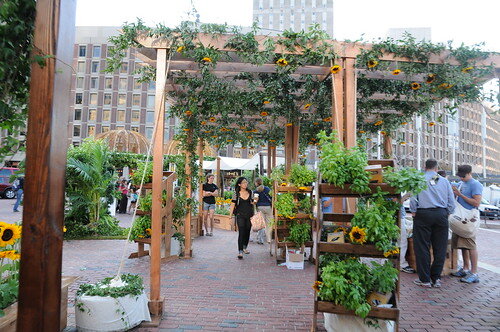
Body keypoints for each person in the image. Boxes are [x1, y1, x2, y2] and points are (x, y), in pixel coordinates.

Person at [410, 159, 455, 288]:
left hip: (423, 214)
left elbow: (413, 199)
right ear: (436, 168)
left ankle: (424, 279)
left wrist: (414, 211)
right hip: (441, 214)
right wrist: (447, 212)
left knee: (422, 247)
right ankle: (436, 278)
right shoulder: (444, 181)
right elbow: (451, 201)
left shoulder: (418, 179)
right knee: (440, 247)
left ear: (425, 167)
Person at [450, 165, 482, 284]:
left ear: (469, 173)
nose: (461, 178)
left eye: (463, 176)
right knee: (462, 245)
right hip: (460, 219)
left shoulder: (475, 184)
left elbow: (477, 203)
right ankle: (465, 268)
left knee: (471, 245)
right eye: (460, 176)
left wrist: (460, 195)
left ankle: (474, 273)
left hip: (469, 219)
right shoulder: (462, 183)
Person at [229, 177, 255, 259]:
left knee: (247, 231)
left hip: (249, 215)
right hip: (240, 214)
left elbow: (253, 203)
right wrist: (230, 216)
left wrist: (255, 201)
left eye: (246, 182)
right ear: (239, 184)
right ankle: (240, 251)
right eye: (243, 182)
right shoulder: (236, 193)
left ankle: (244, 247)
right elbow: (233, 204)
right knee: (241, 232)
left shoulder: (251, 192)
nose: (245, 184)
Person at [400, 193, 416, 274]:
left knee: (397, 240)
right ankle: (401, 264)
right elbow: (395, 203)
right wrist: (405, 197)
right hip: (397, 216)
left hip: (398, 215)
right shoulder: (391, 188)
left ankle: (387, 262)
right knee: (402, 241)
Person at [254, 178, 273, 244]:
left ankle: (260, 239)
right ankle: (269, 239)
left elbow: (255, 200)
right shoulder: (267, 189)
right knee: (269, 224)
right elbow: (272, 197)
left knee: (261, 224)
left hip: (260, 208)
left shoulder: (256, 191)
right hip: (268, 208)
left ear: (256, 183)